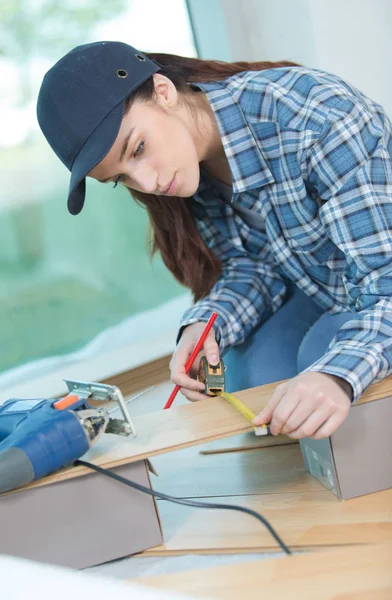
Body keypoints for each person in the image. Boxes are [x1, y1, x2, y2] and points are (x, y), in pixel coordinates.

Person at [37, 41, 392, 441]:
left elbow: (387, 282)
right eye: (121, 178)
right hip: (325, 290)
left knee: (320, 360)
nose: (149, 183)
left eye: (138, 148)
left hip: (377, 294)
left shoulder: (316, 119)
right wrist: (206, 326)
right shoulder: (191, 170)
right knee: (247, 374)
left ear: (164, 91)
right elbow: (256, 265)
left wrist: (335, 374)